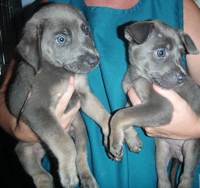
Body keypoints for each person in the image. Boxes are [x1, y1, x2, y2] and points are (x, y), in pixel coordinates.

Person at [0, 0, 200, 187]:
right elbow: (7, 94)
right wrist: (21, 130)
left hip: (162, 166)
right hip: (81, 163)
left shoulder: (178, 6)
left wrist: (195, 127)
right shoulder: (53, 9)